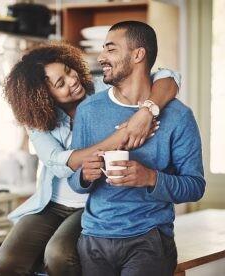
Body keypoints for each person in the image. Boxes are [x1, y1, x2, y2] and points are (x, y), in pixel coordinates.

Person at [0, 42, 181, 276]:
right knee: (6, 262)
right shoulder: (37, 121)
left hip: (93, 203)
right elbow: (60, 162)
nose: (72, 80)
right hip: (52, 203)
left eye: (68, 71)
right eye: (60, 83)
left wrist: (146, 112)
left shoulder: (106, 89)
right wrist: (123, 134)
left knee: (59, 254)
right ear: (42, 97)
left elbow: (168, 77)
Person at [69, 21, 205, 276]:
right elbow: (74, 181)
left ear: (138, 54)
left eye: (110, 49)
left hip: (149, 240)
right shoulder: (88, 111)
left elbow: (195, 186)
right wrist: (84, 175)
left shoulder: (178, 117)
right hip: (94, 240)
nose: (101, 57)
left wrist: (150, 178)